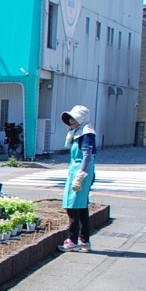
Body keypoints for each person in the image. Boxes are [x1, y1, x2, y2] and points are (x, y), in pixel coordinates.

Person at [59, 104, 96, 252]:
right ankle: (84, 241)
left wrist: (80, 176)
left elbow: (87, 155)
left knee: (73, 206)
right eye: (70, 118)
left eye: (74, 118)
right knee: (81, 207)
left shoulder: (86, 133)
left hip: (81, 172)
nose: (71, 121)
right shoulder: (79, 132)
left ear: (81, 118)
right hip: (78, 171)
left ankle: (73, 240)